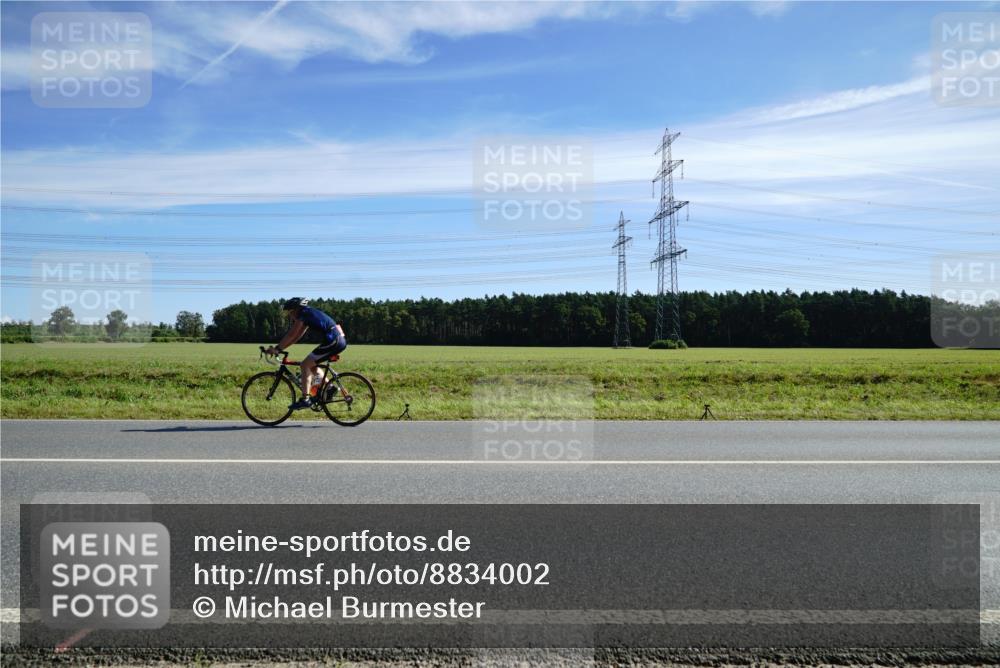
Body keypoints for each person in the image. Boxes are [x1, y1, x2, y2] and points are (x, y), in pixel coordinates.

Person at [266, 298, 347, 410]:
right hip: (336, 340)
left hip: (333, 340)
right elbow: (296, 337)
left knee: (305, 365)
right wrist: (280, 348)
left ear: (296, 310)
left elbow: (291, 334)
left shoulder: (304, 314)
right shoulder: (307, 314)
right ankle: (330, 388)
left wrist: (277, 349)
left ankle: (306, 399)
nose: (290, 316)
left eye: (290, 312)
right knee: (311, 364)